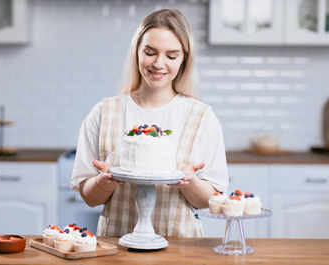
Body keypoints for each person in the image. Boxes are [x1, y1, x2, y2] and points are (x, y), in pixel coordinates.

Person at [71, 9, 228, 237]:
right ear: (137, 52)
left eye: (171, 56)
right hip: (118, 249)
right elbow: (89, 198)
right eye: (150, 52)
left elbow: (211, 201)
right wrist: (106, 181)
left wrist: (189, 181)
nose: (158, 63)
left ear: (184, 59)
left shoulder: (202, 118)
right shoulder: (104, 112)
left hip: (181, 250)